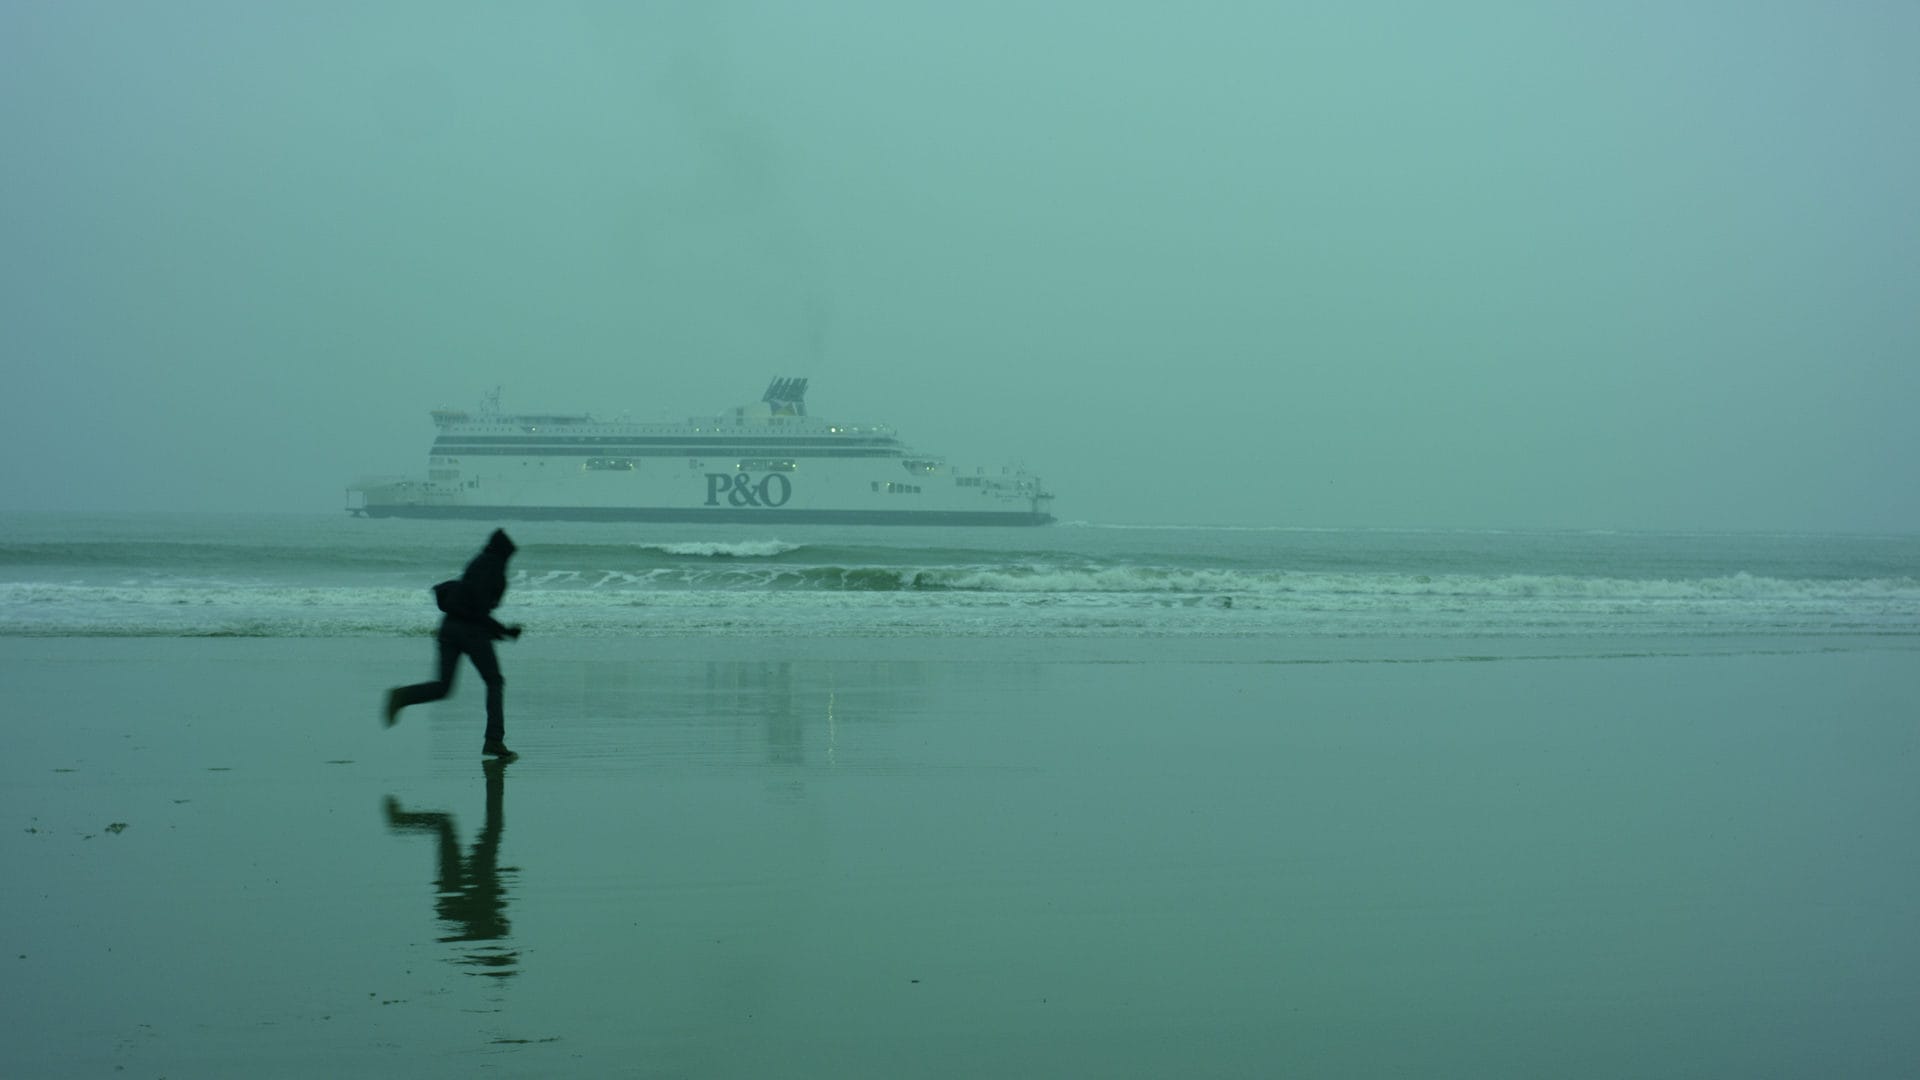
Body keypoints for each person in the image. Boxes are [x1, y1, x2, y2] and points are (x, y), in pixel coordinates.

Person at [385, 528, 524, 758]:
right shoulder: (493, 567)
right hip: (471, 631)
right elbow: (478, 607)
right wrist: (504, 631)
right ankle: (494, 740)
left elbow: (470, 600)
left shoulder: (477, 563)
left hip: (448, 627)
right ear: (504, 553)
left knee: (443, 687)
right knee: (494, 681)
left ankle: (401, 697)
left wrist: (497, 630)